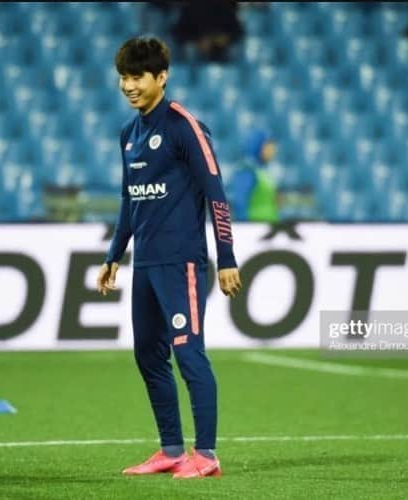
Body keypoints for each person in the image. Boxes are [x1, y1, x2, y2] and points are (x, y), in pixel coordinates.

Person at [95, 36, 241, 479]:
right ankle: (173, 450)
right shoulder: (129, 133)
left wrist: (228, 257)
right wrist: (114, 255)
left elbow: (216, 192)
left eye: (137, 77)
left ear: (162, 77)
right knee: (148, 355)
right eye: (123, 77)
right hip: (147, 267)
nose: (128, 86)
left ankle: (208, 456)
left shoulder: (184, 126)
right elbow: (129, 200)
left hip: (183, 265)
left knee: (189, 356)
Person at [229, 128, 279, 222]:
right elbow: (239, 202)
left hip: (268, 225)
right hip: (252, 227)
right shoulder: (246, 170)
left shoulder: (264, 171)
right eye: (268, 146)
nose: (272, 150)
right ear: (257, 146)